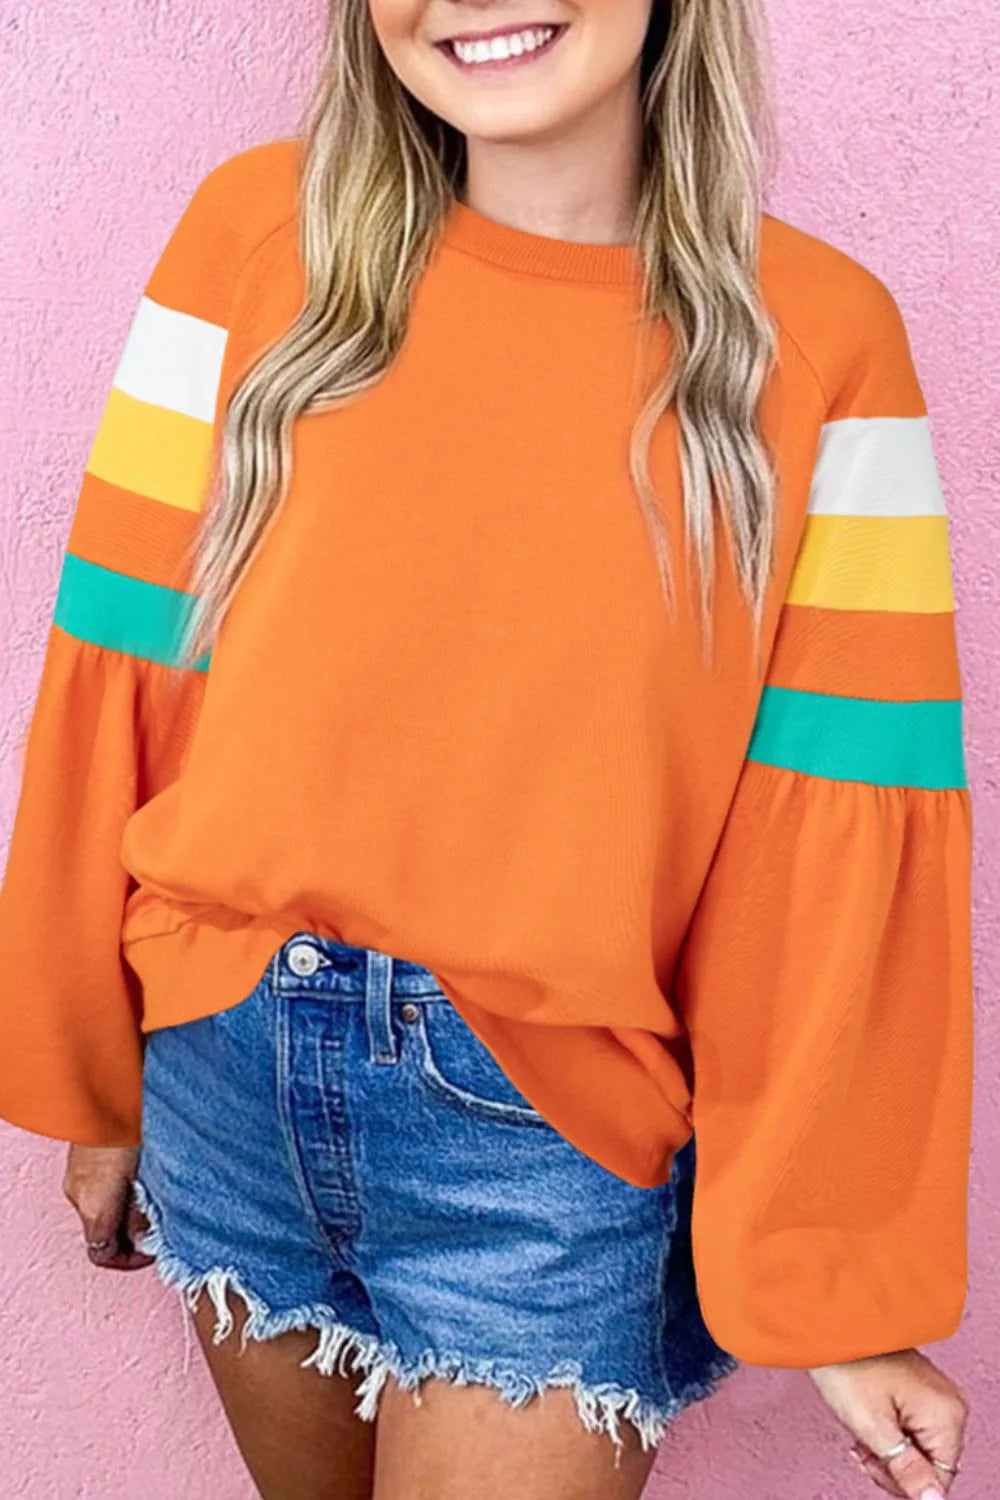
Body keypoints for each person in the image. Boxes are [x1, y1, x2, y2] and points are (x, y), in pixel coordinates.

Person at [0, 2, 974, 1497]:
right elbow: (125, 659)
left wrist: (834, 1285)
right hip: (222, 1063)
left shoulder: (822, 340)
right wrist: (93, 1075)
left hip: (545, 1141)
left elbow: (835, 824)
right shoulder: (253, 236)